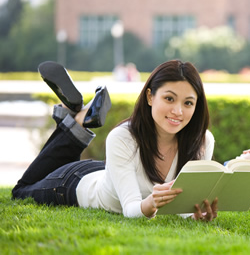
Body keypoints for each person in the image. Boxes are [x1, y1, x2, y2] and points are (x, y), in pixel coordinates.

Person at [12, 60, 217, 221]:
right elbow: (130, 209)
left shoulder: (202, 141)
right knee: (21, 191)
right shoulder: (124, 137)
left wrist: (195, 214)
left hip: (108, 174)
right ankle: (77, 119)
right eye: (169, 99)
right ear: (150, 97)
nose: (178, 111)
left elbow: (183, 205)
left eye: (188, 103)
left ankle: (77, 117)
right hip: (71, 183)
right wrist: (151, 203)